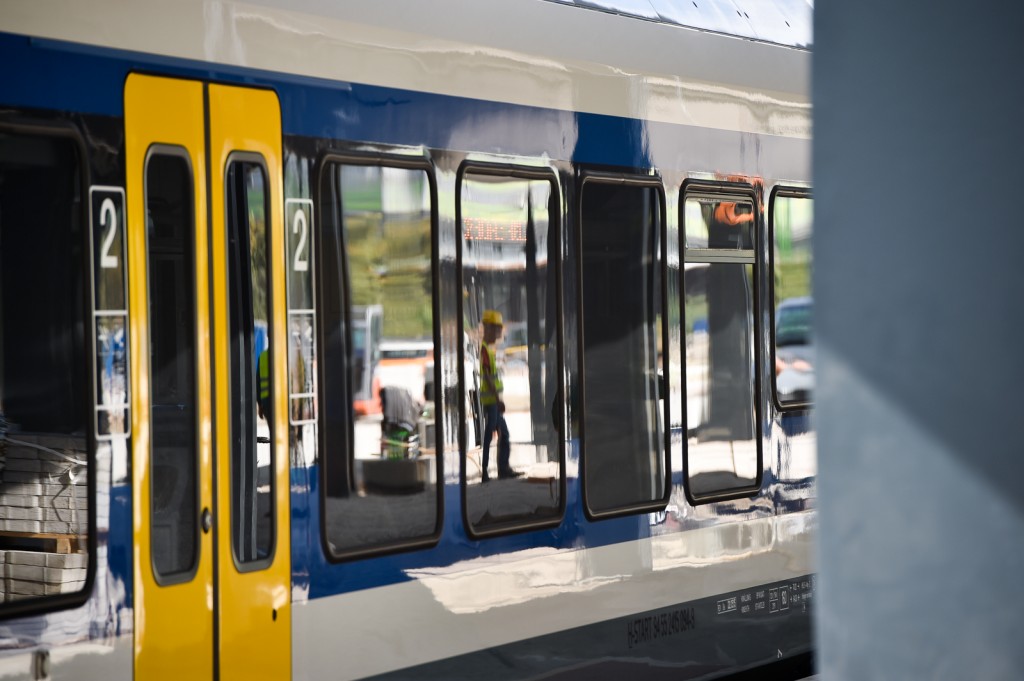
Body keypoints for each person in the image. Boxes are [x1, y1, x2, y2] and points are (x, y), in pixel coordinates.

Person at [479, 309, 521, 481]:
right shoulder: (485, 350)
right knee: (491, 435)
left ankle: (501, 469)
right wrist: (498, 400)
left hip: (493, 401)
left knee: (502, 433)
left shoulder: (489, 349)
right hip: (492, 402)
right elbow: (488, 377)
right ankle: (487, 471)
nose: (499, 331)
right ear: (488, 328)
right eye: (496, 328)